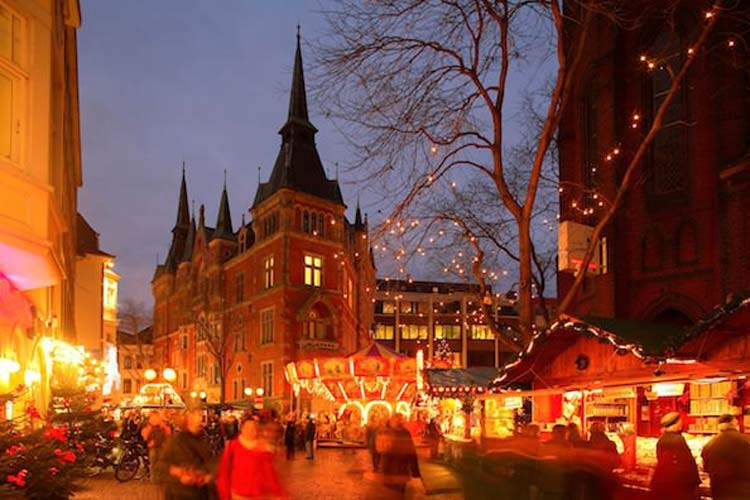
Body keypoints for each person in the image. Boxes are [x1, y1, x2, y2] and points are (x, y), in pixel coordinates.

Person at [216, 417, 287, 500]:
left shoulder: (262, 448)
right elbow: (224, 471)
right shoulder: (232, 446)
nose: (250, 430)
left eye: (253, 428)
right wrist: (224, 494)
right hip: (239, 494)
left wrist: (278, 492)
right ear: (242, 429)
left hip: (259, 494)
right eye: (247, 427)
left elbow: (269, 471)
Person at [161, 409, 213, 500]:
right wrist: (178, 474)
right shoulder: (175, 441)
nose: (200, 419)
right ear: (187, 420)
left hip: (199, 492)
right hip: (179, 492)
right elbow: (162, 465)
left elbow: (208, 462)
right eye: (196, 416)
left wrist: (207, 476)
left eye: (200, 416)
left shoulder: (203, 439)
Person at [650, 412, 700, 500]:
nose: (681, 423)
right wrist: (695, 481)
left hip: (664, 482)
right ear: (675, 424)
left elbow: (661, 459)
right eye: (679, 422)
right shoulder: (678, 439)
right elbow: (687, 462)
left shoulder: (662, 439)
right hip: (679, 484)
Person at [701, 414, 750, 500]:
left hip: (719, 489)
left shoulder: (709, 445)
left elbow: (706, 468)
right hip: (743, 489)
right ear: (733, 424)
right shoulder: (746, 440)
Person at [380, 413, 420, 496]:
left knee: (397, 491)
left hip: (400, 467)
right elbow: (384, 452)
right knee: (394, 492)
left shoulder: (403, 433)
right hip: (394, 467)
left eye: (400, 420)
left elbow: (411, 451)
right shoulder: (388, 432)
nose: (399, 422)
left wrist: (415, 469)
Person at [141, 411, 172, 483]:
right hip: (153, 447)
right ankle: (154, 479)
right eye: (153, 417)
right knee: (153, 463)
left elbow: (169, 433)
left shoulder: (163, 425)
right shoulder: (148, 425)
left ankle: (160, 478)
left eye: (156, 417)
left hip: (161, 446)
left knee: (161, 463)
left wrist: (164, 426)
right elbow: (144, 436)